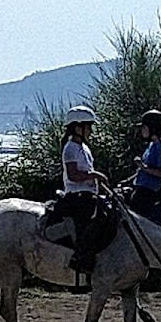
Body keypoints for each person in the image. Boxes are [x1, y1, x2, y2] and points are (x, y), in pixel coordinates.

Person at [55, 105, 108, 274]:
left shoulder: (83, 148)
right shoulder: (70, 148)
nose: (91, 131)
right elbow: (73, 175)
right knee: (98, 218)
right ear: (78, 128)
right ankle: (81, 258)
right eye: (88, 127)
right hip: (77, 196)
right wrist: (94, 175)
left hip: (88, 193)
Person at [129, 109, 161, 217]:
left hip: (151, 192)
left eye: (144, 127)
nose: (142, 130)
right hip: (142, 187)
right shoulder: (151, 145)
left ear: (153, 128)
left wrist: (143, 167)